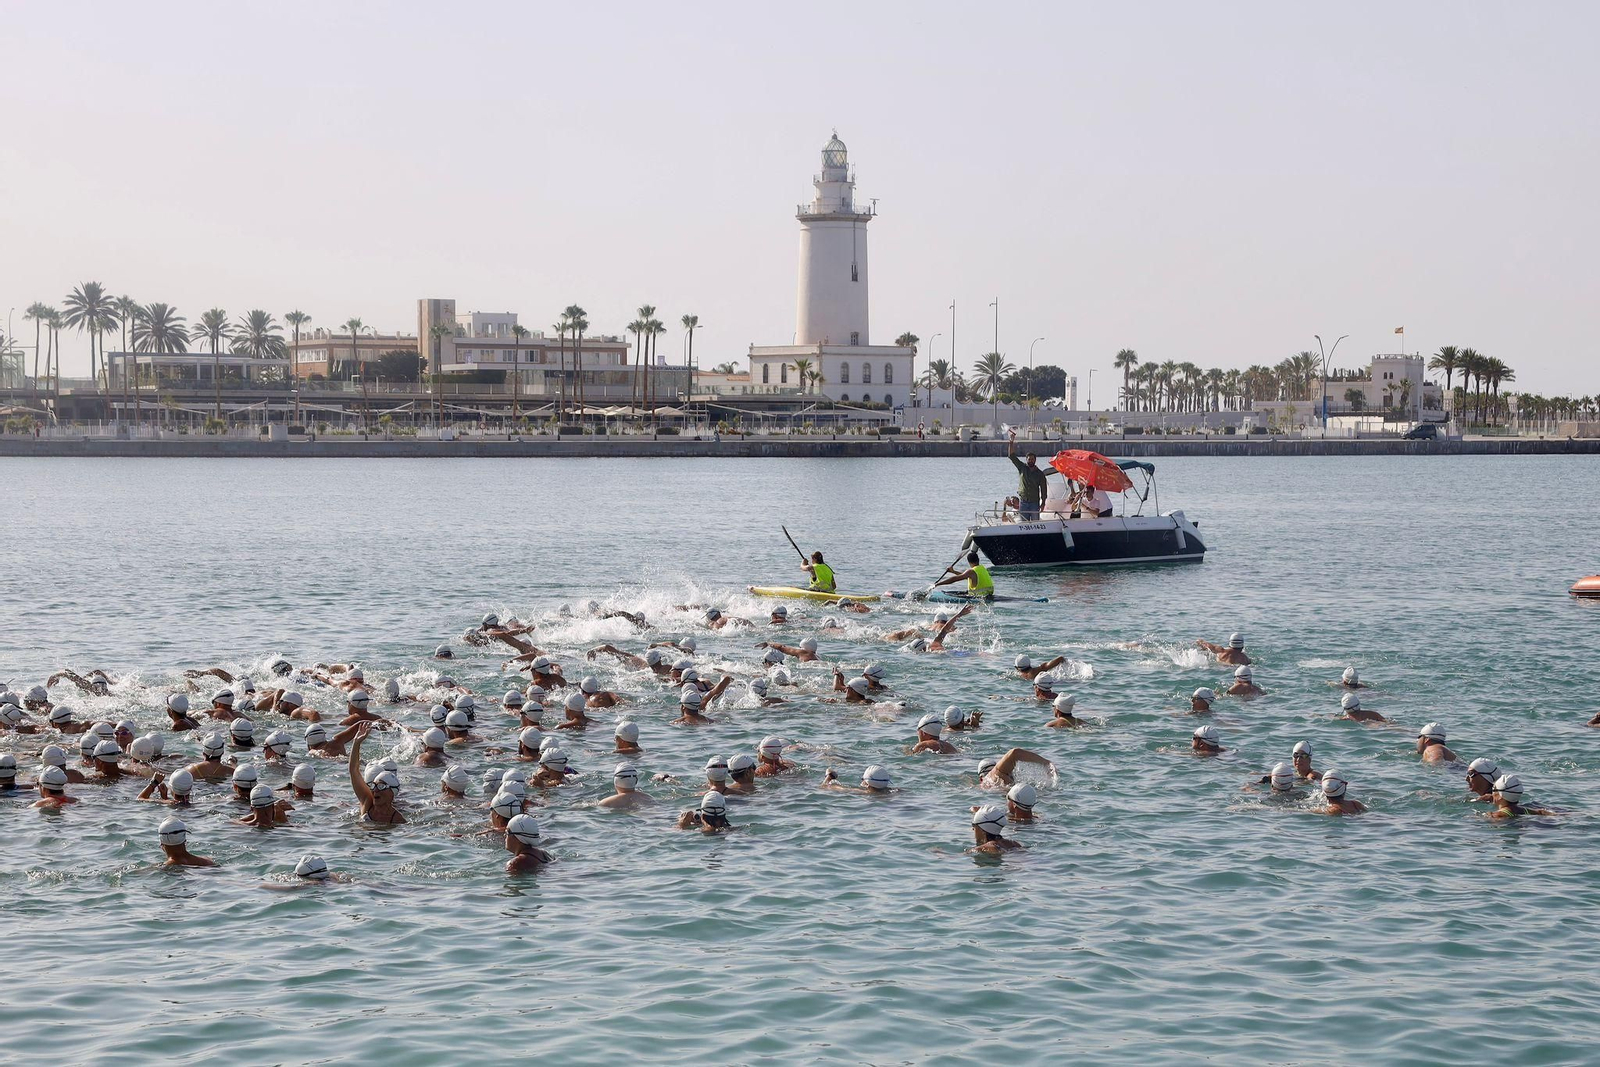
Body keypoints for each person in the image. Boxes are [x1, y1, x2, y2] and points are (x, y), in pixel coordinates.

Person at [347, 722, 406, 825]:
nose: (375, 790)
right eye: (374, 785)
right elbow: (354, 770)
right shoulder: (367, 803)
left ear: (392, 792)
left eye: (381, 786)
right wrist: (356, 743)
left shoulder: (397, 820)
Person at [1006, 429, 1059, 521]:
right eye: (1029, 459)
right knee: (1024, 523)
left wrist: (1043, 503)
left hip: (1034, 503)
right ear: (1026, 460)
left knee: (1035, 523)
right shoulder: (1022, 467)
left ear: (1035, 460)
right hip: (1023, 502)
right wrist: (1011, 442)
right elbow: (1011, 456)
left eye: (1032, 459)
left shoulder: (1040, 474)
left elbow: (1043, 489)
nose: (1030, 461)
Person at [978, 747, 1054, 787]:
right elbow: (1014, 753)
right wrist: (1046, 763)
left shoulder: (984, 786)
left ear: (981, 779)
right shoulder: (996, 773)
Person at [1488, 774, 1555, 819]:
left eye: (1494, 789)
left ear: (1500, 796)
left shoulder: (1497, 815)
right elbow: (1542, 812)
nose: (1492, 793)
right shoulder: (1526, 810)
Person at [821, 765, 895, 795]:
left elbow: (824, 786)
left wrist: (829, 775)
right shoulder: (894, 792)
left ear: (867, 783)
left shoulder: (862, 792)